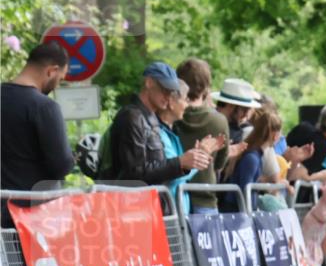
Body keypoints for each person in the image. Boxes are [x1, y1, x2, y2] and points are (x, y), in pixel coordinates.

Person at [102, 62, 211, 184]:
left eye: (171, 91)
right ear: (149, 82)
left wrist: (184, 164)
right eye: (164, 89)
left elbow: (154, 168)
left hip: (148, 199)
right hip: (132, 200)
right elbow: (135, 173)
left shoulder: (149, 118)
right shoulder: (132, 117)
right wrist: (180, 163)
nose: (168, 96)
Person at [1, 42, 73, 224]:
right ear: (51, 71)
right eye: (60, 79)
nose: (57, 86)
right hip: (31, 216)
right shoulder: (44, 107)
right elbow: (61, 165)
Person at [175, 58, 231, 214]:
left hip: (173, 199)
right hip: (205, 199)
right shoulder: (219, 121)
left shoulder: (171, 115)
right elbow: (220, 163)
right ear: (206, 85)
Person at [222, 108, 282, 212]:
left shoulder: (254, 155)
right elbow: (246, 190)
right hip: (236, 212)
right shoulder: (252, 158)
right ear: (275, 136)